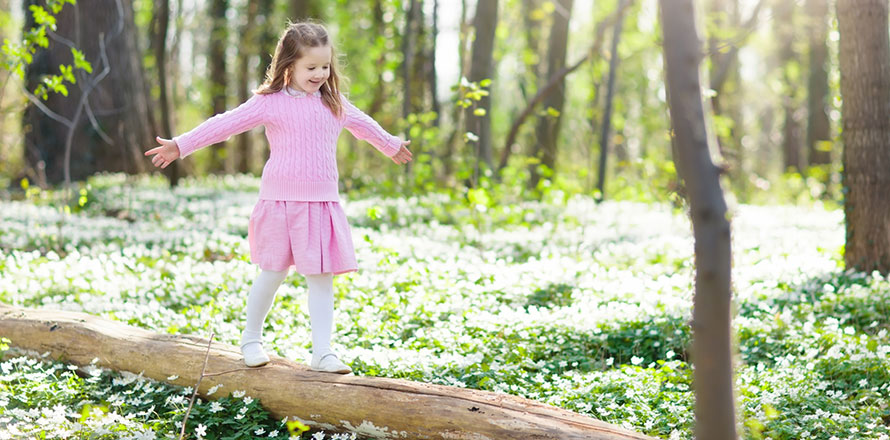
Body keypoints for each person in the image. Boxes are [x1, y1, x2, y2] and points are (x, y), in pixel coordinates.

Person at [144, 21, 412, 374]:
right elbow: (225, 123)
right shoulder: (270, 103)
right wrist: (181, 145)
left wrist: (391, 145)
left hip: (320, 204)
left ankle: (323, 352)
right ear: (289, 64)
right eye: (311, 67)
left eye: (325, 66)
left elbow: (365, 126)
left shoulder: (334, 103)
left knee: (321, 278)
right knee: (272, 273)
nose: (319, 74)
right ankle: (251, 340)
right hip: (280, 204)